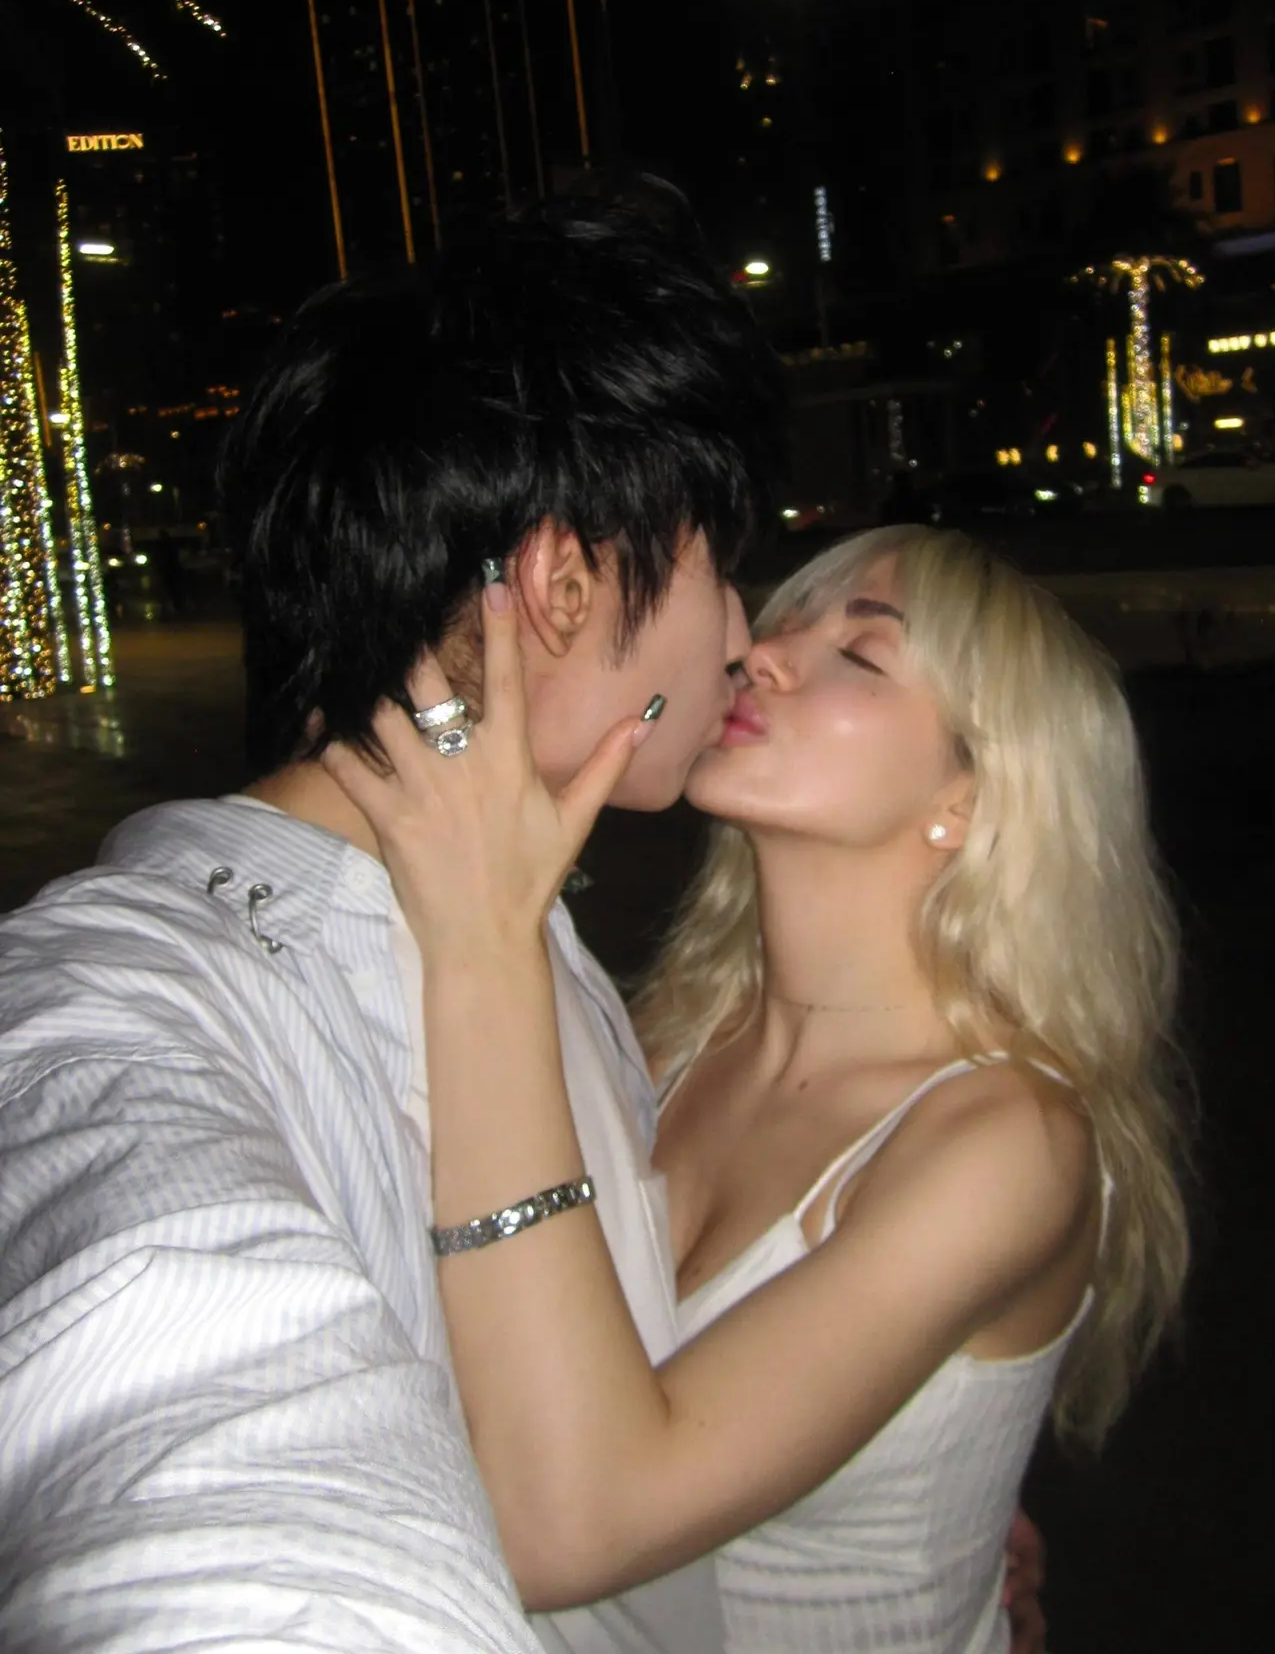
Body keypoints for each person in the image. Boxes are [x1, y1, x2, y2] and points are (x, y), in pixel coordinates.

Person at [0, 197, 784, 1653]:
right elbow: (159, 1345)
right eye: (717, 564)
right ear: (564, 582)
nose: (743, 633)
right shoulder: (134, 989)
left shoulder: (515, 909)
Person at [324, 523, 1190, 1653]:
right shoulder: (669, 1042)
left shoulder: (1007, 1141)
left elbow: (573, 1527)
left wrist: (485, 942)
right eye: (782, 627)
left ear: (969, 801)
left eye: (861, 655)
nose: (761, 656)